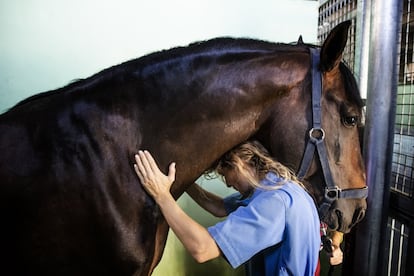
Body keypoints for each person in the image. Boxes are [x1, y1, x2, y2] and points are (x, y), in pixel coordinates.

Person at [134, 141, 321, 275]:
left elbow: (202, 249)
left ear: (240, 162)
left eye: (225, 175)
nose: (228, 184)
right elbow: (219, 207)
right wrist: (183, 181)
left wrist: (161, 195)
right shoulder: (280, 188)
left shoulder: (273, 203)